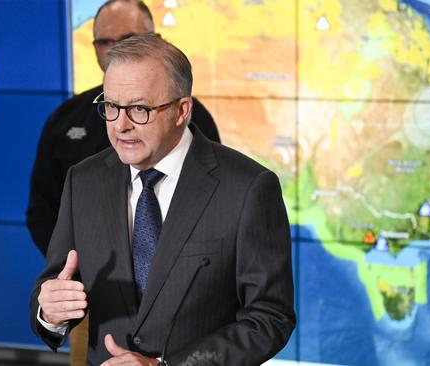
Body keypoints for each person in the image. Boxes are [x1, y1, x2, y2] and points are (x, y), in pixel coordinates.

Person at [30, 33, 294, 366]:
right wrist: (50, 314)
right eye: (111, 107)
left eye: (139, 109)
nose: (121, 125)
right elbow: (55, 283)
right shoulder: (83, 180)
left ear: (182, 110)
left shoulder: (248, 188)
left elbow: (269, 318)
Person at [27, 0, 220, 257]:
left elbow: (213, 202)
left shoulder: (191, 118)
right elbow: (43, 210)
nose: (117, 49)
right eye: (105, 42)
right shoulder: (65, 119)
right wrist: (76, 268)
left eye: (129, 38)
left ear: (157, 39)